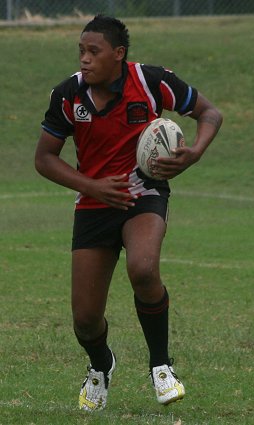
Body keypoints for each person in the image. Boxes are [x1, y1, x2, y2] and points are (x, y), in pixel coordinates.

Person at [35, 14, 222, 412]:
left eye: (94, 51)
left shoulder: (152, 82)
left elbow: (210, 114)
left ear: (118, 54)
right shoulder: (68, 95)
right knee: (85, 320)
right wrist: (92, 186)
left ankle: (161, 366)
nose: (84, 59)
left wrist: (195, 153)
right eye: (81, 51)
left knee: (143, 268)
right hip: (93, 203)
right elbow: (44, 159)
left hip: (143, 195)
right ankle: (102, 365)